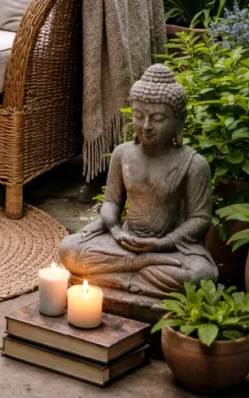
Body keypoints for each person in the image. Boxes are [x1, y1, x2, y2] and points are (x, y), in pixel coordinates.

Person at [58, 63, 217, 295]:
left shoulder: (193, 164)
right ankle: (136, 268)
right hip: (125, 241)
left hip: (169, 249)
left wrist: (164, 243)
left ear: (179, 119)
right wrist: (114, 229)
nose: (147, 126)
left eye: (158, 118)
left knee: (199, 276)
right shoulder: (123, 153)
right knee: (68, 249)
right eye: (139, 116)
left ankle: (119, 275)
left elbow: (200, 218)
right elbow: (112, 202)